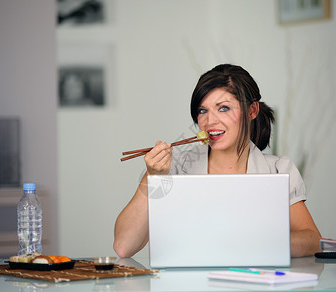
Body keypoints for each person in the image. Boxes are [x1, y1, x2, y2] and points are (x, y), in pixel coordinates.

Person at [114, 64, 321, 258]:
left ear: (252, 111)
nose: (210, 121)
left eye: (223, 108)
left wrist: (252, 244)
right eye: (203, 111)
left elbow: (312, 240)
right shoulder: (173, 168)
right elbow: (124, 246)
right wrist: (153, 177)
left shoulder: (278, 170)